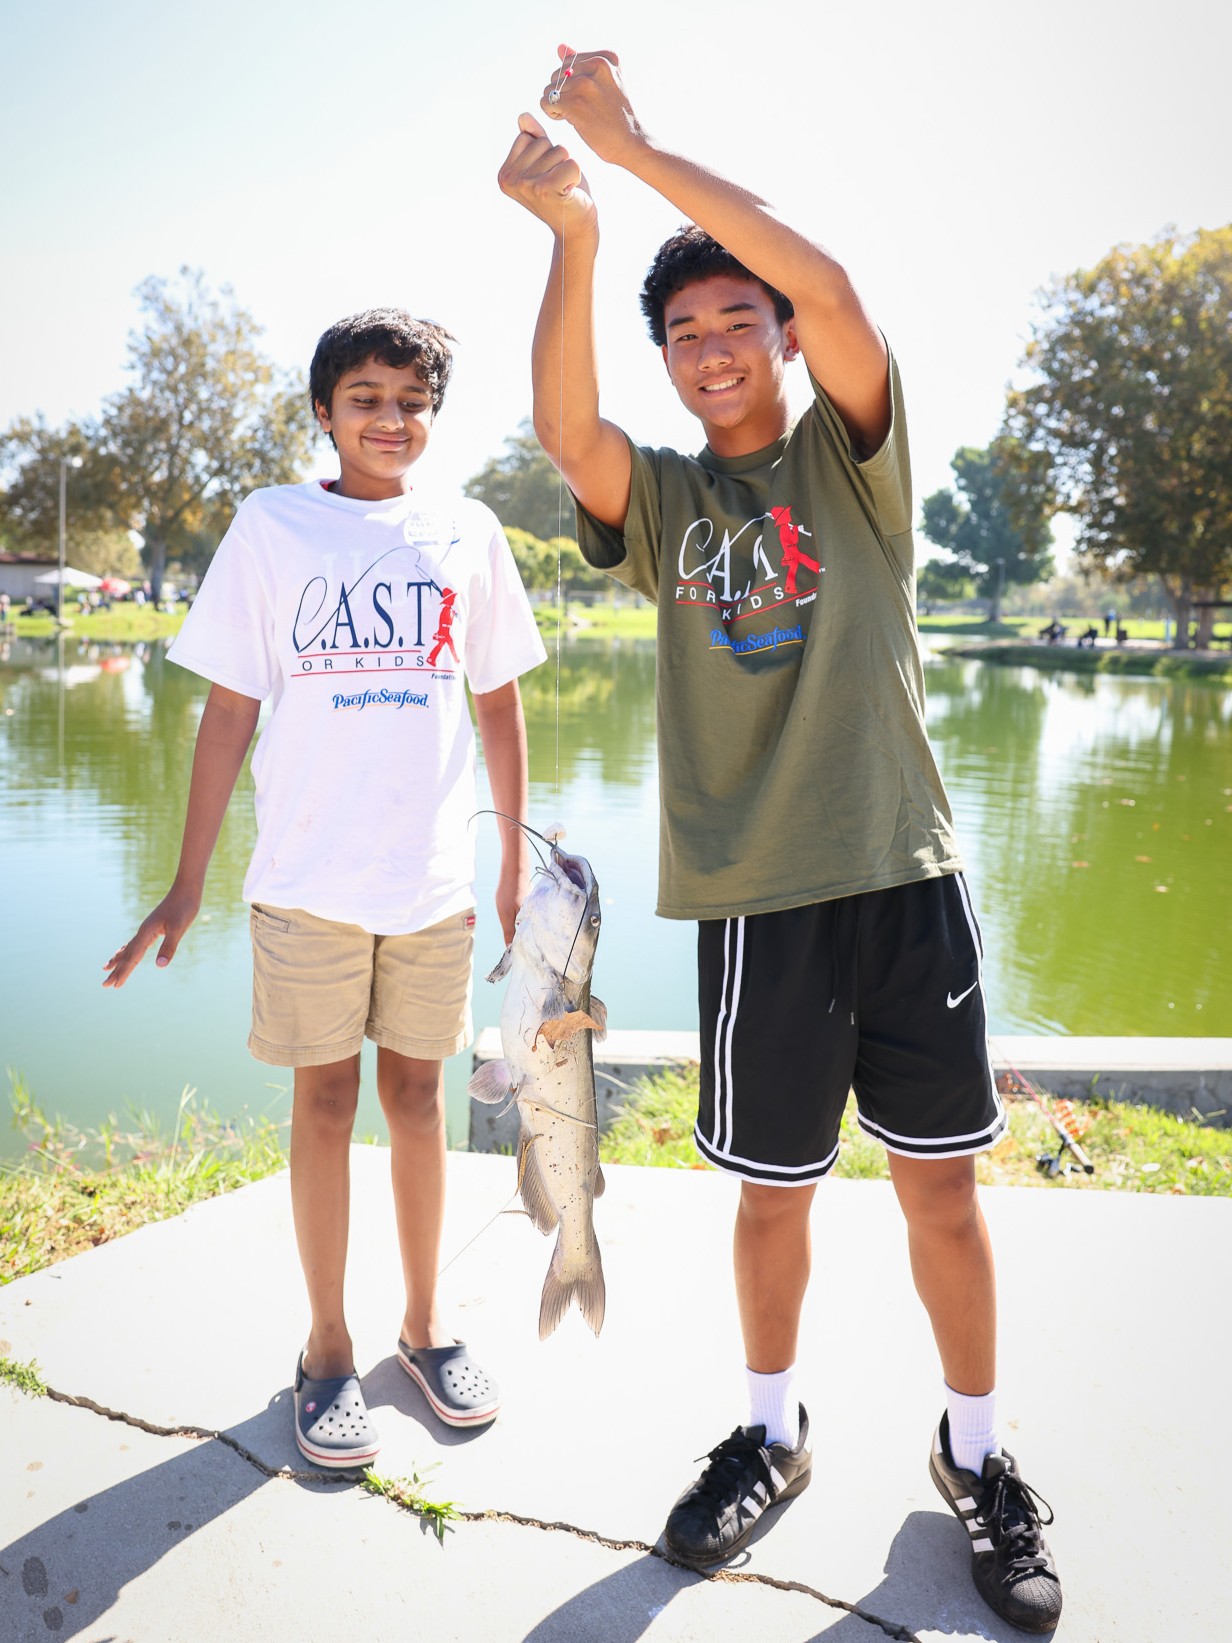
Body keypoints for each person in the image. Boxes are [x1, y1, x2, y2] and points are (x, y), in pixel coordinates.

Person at [499, 47, 1062, 1635]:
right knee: (771, 1195)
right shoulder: (668, 500)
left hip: (903, 876)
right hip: (758, 907)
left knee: (943, 1193)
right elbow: (563, 428)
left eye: (741, 317)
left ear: (787, 336)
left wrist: (638, 146)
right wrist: (576, 238)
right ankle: (772, 1428)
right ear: (670, 365)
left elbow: (837, 280)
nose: (714, 345)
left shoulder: (857, 455)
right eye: (685, 334)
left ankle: (980, 1452)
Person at [103, 308, 546, 1470]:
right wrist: (186, 879)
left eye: (411, 399)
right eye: (365, 397)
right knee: (323, 1107)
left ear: (432, 415)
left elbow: (497, 701)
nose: (389, 419)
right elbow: (229, 711)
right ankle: (328, 1348)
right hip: (305, 879)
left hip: (431, 882)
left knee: (415, 1100)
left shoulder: (468, 530)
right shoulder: (272, 527)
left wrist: (512, 864)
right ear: (323, 411)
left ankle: (425, 1326)